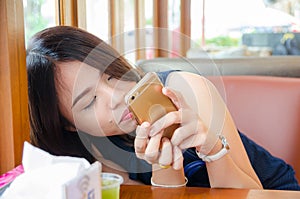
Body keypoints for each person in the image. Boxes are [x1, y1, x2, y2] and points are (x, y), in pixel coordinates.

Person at [26, 26, 300, 190]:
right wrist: (165, 165)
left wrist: (212, 149)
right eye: (89, 101)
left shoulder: (186, 88)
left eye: (111, 75)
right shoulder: (93, 158)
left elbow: (253, 191)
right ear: (69, 124)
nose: (116, 96)